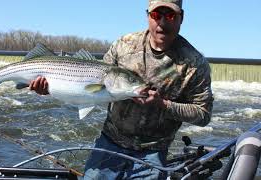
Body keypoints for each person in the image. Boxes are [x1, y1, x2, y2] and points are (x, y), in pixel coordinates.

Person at [30, 0, 214, 179]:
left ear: (181, 17)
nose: (162, 23)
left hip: (153, 152)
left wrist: (162, 104)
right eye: (157, 15)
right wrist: (52, 88)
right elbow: (87, 83)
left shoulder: (195, 64)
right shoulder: (124, 44)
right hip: (110, 141)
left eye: (171, 16)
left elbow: (203, 115)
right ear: (148, 16)